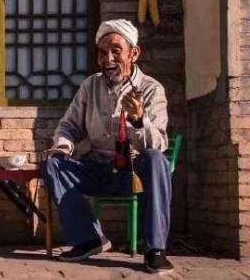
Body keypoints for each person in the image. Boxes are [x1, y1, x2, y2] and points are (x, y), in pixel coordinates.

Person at [43, 19, 174, 275]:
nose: (108, 59)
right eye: (103, 53)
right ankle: (90, 239)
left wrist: (138, 120)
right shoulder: (90, 86)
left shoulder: (151, 89)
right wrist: (63, 147)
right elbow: (68, 126)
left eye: (116, 51)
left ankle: (155, 250)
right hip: (99, 169)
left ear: (133, 53)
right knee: (54, 163)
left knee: (157, 159)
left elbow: (158, 142)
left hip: (134, 173)